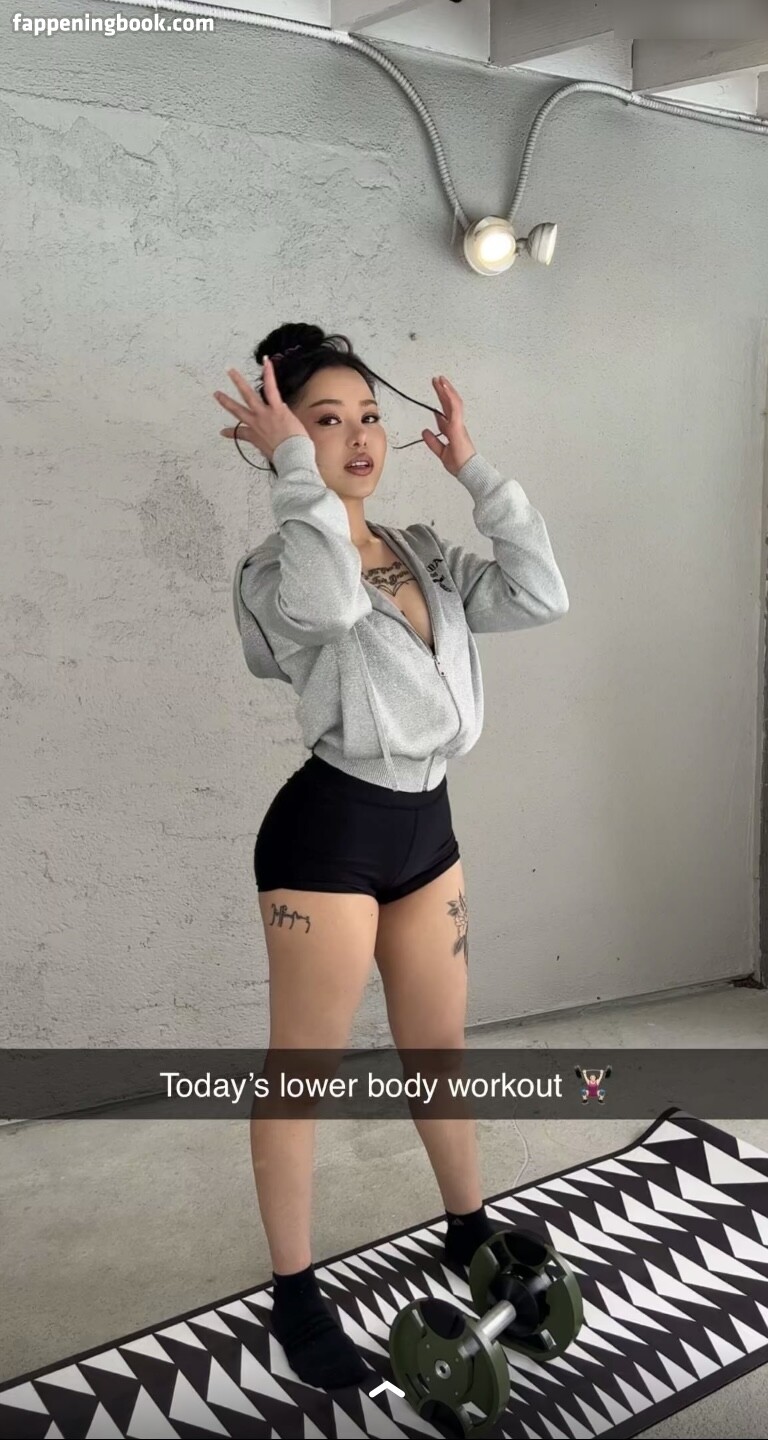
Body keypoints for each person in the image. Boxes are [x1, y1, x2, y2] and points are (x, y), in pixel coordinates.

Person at [215, 323, 569, 1390]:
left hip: (428, 827)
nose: (360, 438)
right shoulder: (274, 571)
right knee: (302, 1071)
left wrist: (477, 474)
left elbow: (541, 593)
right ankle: (294, 1294)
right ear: (283, 440)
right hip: (329, 836)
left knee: (438, 1047)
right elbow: (328, 607)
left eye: (368, 416)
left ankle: (467, 1229)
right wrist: (295, 470)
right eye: (326, 421)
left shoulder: (422, 549)